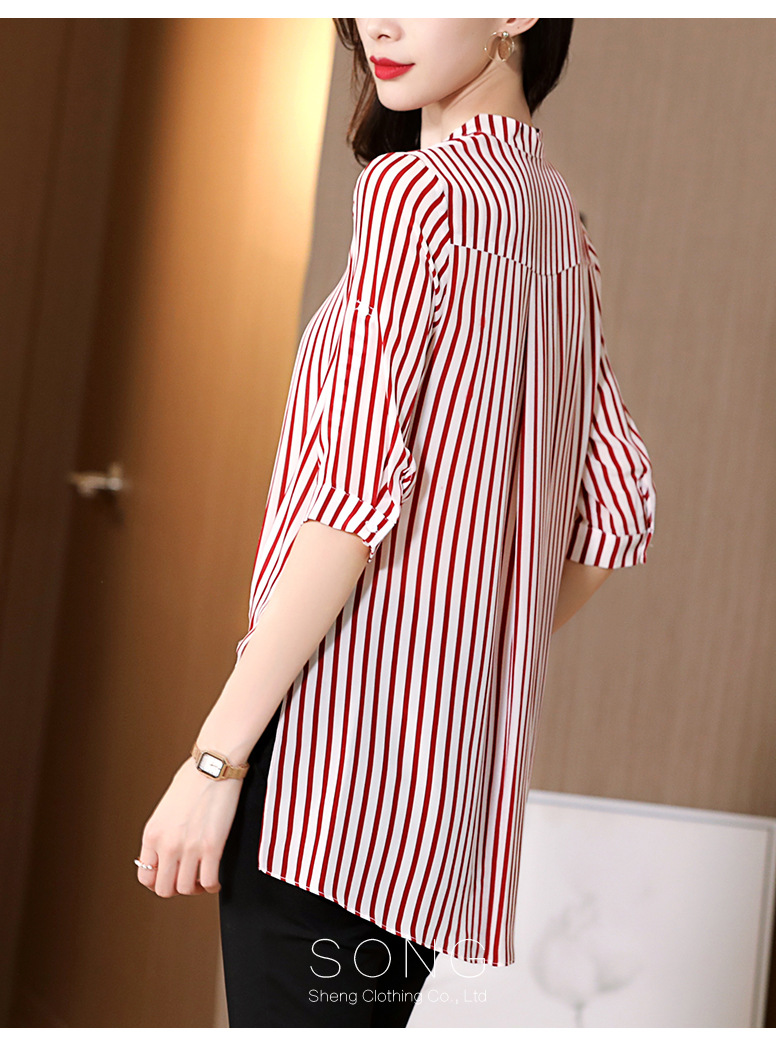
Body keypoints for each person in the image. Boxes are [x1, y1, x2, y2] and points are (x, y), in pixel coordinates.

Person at [135, 18, 655, 1028]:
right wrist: (451, 657)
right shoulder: (560, 224)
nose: (380, 19)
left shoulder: (414, 194)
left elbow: (349, 504)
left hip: (321, 785)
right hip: (435, 816)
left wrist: (214, 760)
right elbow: (620, 505)